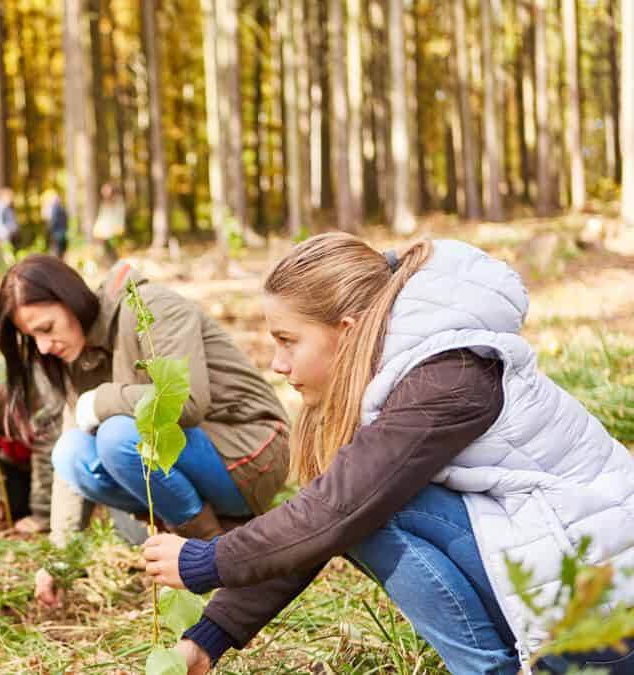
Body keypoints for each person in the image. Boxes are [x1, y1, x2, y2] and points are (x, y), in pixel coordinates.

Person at [141, 234, 634, 674]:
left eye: (288, 341)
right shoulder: (404, 375)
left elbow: (333, 512)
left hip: (605, 623)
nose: (276, 363)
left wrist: (208, 561)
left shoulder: (447, 377)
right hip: (569, 592)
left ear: (349, 330)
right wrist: (208, 639)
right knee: (355, 502)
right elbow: (326, 510)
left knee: (367, 507)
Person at [0, 255, 291, 608]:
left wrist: (102, 400)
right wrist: (60, 562)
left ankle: (214, 554)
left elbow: (187, 402)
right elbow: (69, 473)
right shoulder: (75, 356)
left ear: (70, 299)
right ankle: (207, 541)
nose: (43, 346)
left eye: (46, 328)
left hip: (250, 451)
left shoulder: (153, 307)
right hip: (192, 458)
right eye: (32, 337)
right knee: (70, 452)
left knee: (118, 435)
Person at [0, 375, 61, 534]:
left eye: (14, 432)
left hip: (50, 467)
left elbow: (46, 462)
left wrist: (42, 517)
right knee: (13, 507)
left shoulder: (42, 408)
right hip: (14, 466)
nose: (9, 439)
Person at [92, 183, 125, 264]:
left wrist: (119, 228)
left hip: (114, 231)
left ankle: (117, 267)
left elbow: (120, 216)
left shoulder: (118, 202)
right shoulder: (104, 203)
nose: (105, 194)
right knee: (107, 252)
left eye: (106, 192)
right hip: (104, 232)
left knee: (115, 252)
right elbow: (101, 216)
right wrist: (96, 229)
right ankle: (111, 267)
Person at [41, 190, 68, 258]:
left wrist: (48, 229)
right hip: (62, 232)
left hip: (57, 232)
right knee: (60, 250)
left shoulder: (55, 208)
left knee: (57, 251)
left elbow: (53, 220)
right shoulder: (61, 207)